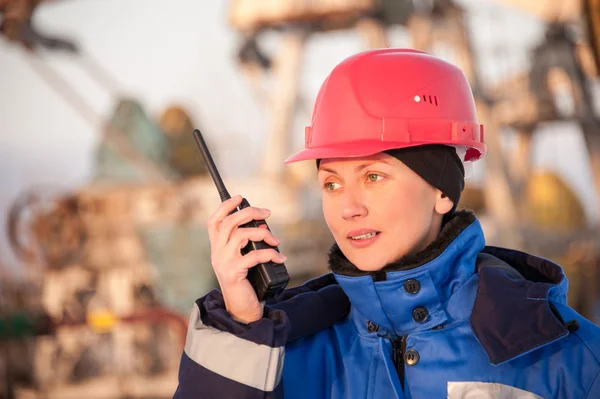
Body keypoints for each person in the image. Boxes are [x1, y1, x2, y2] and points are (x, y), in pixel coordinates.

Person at [172, 49, 600, 398]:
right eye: (331, 183)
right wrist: (242, 325)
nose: (348, 207)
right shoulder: (275, 360)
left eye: (373, 177)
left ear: (443, 191)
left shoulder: (561, 355)